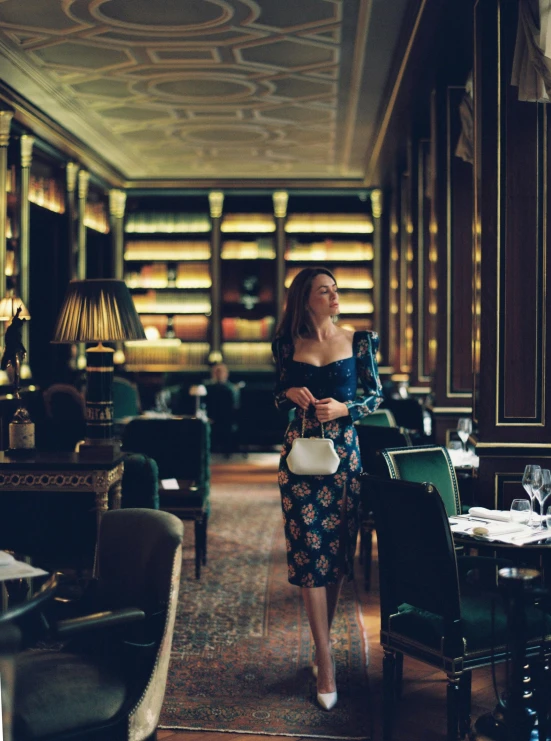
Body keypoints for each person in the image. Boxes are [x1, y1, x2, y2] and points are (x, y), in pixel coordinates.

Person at [272, 266, 383, 711]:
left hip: (344, 463)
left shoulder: (359, 341)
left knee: (335, 555)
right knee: (307, 554)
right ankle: (325, 656)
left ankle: (322, 643)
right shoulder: (285, 344)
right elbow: (276, 395)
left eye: (336, 289)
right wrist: (290, 394)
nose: (334, 296)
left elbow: (377, 396)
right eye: (325, 291)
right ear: (306, 299)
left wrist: (345, 407)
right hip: (298, 462)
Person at [204, 363, 240, 456]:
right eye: (216, 372)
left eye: (221, 372)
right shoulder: (207, 388)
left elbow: (235, 407)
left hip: (227, 419)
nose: (219, 374)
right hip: (211, 417)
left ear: (226, 374)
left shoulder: (232, 389)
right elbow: (204, 405)